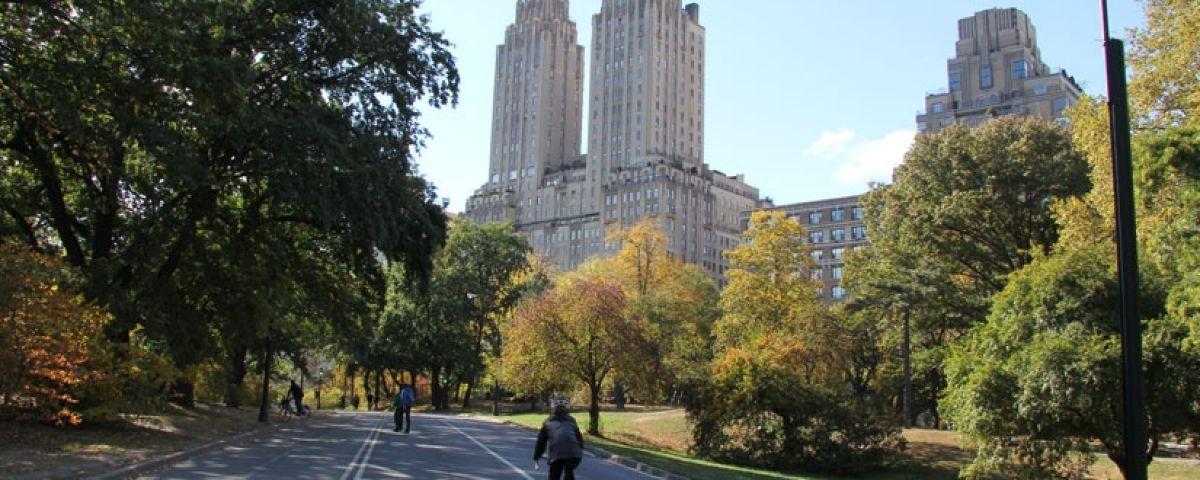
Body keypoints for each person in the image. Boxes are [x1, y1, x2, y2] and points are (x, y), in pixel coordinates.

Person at [533, 398, 583, 480]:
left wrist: (536, 456)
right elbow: (579, 438)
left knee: (554, 475)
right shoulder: (572, 421)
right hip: (574, 453)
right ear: (567, 410)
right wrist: (580, 449)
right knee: (569, 471)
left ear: (553, 409)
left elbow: (541, 442)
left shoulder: (547, 422)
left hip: (557, 453)